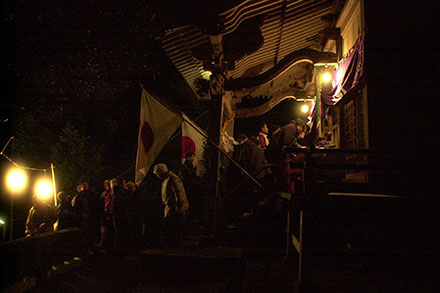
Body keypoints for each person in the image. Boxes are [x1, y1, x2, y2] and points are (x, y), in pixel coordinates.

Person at [153, 163, 189, 247]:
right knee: (171, 226)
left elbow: (178, 193)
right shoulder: (168, 178)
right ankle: (172, 242)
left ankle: (173, 244)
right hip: (170, 207)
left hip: (174, 208)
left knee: (172, 226)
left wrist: (178, 207)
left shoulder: (172, 179)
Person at [179, 152, 203, 231]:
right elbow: (188, 178)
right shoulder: (186, 167)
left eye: (193, 157)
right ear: (187, 157)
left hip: (190, 189)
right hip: (189, 189)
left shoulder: (188, 166)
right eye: (191, 157)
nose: (192, 159)